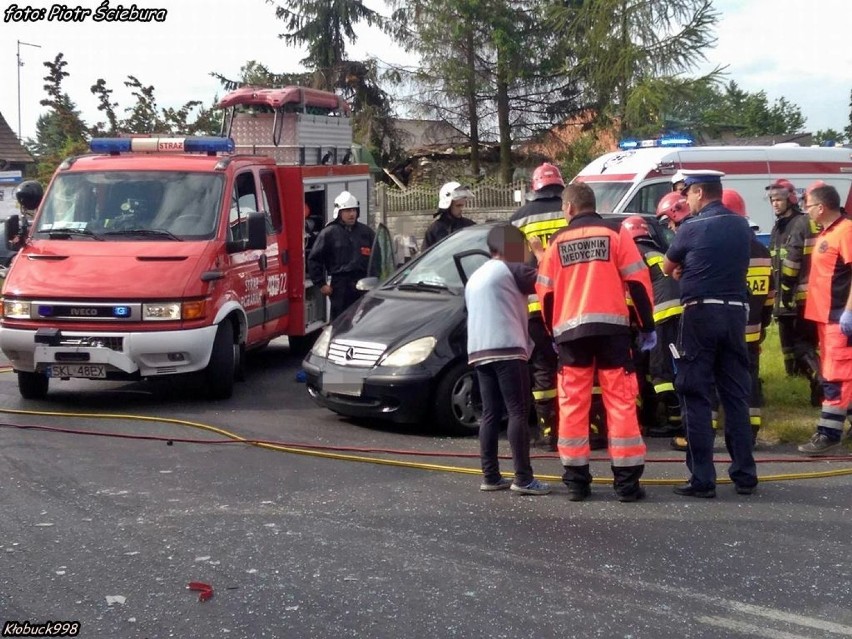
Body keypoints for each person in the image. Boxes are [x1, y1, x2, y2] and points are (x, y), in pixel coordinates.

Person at [535, 182, 654, 503]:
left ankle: (577, 482)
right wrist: (647, 326)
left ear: (570, 208)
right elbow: (638, 283)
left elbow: (545, 295)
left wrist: (553, 333)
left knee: (573, 405)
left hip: (571, 337)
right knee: (621, 402)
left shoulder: (557, 243)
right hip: (613, 333)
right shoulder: (617, 234)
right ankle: (627, 484)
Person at [663, 170, 758, 498]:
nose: (685, 199)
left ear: (700, 193)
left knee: (695, 394)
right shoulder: (740, 225)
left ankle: (703, 478)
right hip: (734, 314)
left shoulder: (691, 226)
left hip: (700, 314)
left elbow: (666, 266)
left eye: (687, 193)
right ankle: (745, 475)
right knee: (735, 396)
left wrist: (684, 267)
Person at [465, 223, 551, 495]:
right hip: (508, 348)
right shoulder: (512, 269)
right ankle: (523, 478)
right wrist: (540, 253)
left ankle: (490, 476)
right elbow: (548, 281)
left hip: (479, 351)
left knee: (490, 414)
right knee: (517, 411)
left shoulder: (475, 276)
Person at [509, 163, 566, 450]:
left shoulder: (518, 220)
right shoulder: (571, 211)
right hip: (571, 303)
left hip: (534, 306)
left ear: (534, 186)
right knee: (574, 366)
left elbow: (509, 267)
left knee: (543, 367)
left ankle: (548, 431)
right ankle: (580, 427)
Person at [797, 184, 852, 455]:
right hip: (825, 317)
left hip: (838, 316)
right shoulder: (829, 233)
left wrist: (849, 311)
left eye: (808, 205)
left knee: (836, 376)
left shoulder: (846, 232)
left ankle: (829, 433)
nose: (806, 210)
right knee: (836, 374)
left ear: (821, 207)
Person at [622, 215, 683, 438]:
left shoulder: (633, 252)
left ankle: (674, 420)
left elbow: (633, 289)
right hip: (680, 310)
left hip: (661, 313)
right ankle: (670, 415)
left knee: (660, 370)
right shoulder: (657, 251)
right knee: (670, 364)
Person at [722, 189, 775, 445]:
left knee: (719, 380)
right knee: (750, 380)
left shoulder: (725, 249)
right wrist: (762, 325)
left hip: (726, 329)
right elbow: (770, 297)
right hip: (753, 331)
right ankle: (750, 431)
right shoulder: (763, 252)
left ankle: (719, 431)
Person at [766, 179, 822, 404]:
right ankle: (797, 381)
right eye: (772, 200)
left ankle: (820, 380)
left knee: (802, 344)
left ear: (790, 199)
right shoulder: (779, 226)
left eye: (779, 199)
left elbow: (792, 261)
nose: (775, 204)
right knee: (789, 345)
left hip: (798, 296)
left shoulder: (799, 223)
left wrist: (787, 290)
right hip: (787, 296)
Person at [307, 191, 376, 320]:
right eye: (347, 210)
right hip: (340, 286)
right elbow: (314, 260)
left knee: (365, 321)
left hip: (363, 284)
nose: (352, 214)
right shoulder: (329, 233)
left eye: (354, 210)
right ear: (339, 212)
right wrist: (321, 284)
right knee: (340, 322)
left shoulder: (366, 233)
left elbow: (377, 258)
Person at [422, 181, 475, 249]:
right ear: (448, 206)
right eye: (458, 205)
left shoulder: (469, 226)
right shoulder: (435, 229)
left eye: (462, 205)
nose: (462, 209)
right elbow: (426, 256)